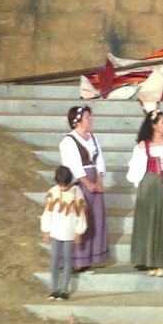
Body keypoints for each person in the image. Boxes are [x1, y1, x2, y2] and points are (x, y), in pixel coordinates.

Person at [125, 110, 163, 277]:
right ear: (153, 125)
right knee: (150, 223)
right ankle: (150, 261)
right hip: (150, 185)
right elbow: (136, 171)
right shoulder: (143, 146)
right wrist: (142, 186)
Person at [58, 106, 110, 271]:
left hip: (94, 178)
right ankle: (76, 260)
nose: (90, 120)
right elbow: (73, 165)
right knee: (80, 218)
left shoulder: (92, 138)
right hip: (80, 183)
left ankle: (90, 257)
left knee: (95, 218)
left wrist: (100, 179)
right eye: (87, 117)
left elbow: (99, 159)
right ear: (77, 121)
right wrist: (88, 184)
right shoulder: (68, 141)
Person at [40, 165, 88, 301]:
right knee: (54, 260)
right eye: (61, 184)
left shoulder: (76, 192)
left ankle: (65, 290)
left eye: (65, 184)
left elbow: (81, 214)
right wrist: (46, 231)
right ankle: (54, 289)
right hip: (55, 232)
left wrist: (79, 232)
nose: (63, 187)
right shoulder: (53, 192)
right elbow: (47, 213)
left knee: (67, 260)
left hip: (70, 232)